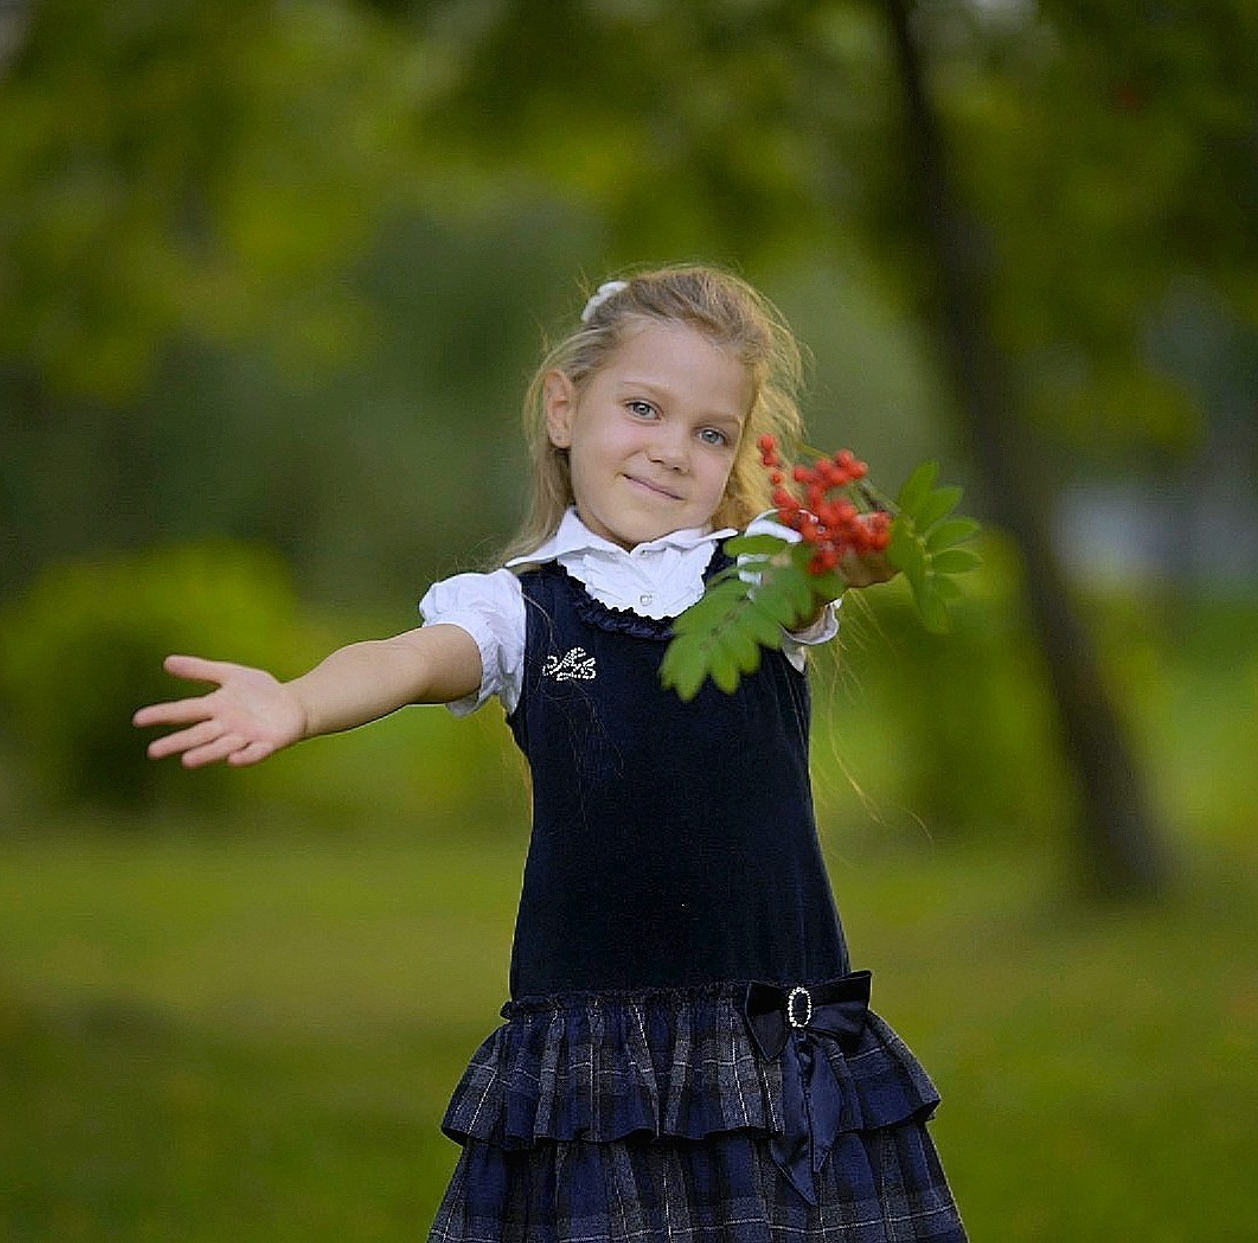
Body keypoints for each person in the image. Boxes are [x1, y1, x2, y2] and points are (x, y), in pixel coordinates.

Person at [134, 265, 967, 1242]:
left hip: (772, 1052)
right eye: (643, 407)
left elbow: (848, 558)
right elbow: (402, 659)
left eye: (710, 432)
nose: (670, 450)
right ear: (565, 407)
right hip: (595, 1068)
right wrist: (296, 700)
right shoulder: (517, 607)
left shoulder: (758, 571)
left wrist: (866, 540)